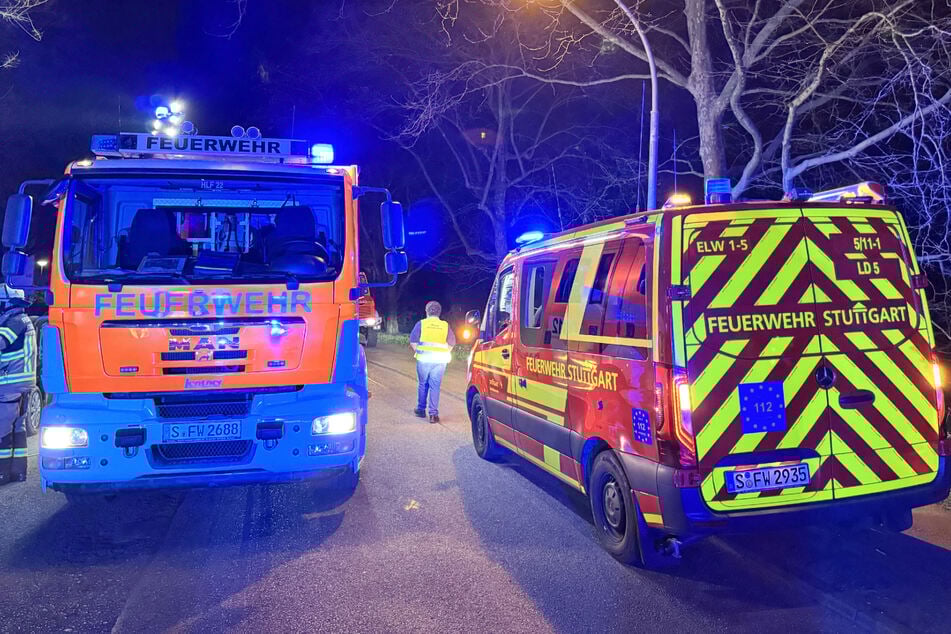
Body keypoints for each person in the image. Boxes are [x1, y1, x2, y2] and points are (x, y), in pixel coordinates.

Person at [0, 284, 36, 485]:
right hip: (21, 384)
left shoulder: (14, 321)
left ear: (8, 303)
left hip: (9, 385)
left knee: (1, 431)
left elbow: (1, 342)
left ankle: (2, 473)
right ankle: (18, 472)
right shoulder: (22, 319)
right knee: (18, 430)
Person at [409, 301, 455, 423]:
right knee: (435, 386)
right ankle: (433, 414)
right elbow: (451, 342)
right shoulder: (445, 325)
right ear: (439, 312)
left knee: (423, 384)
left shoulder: (422, 324)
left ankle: (421, 410)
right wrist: (444, 351)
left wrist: (419, 351)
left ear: (427, 311)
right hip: (440, 361)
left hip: (424, 359)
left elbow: (413, 340)